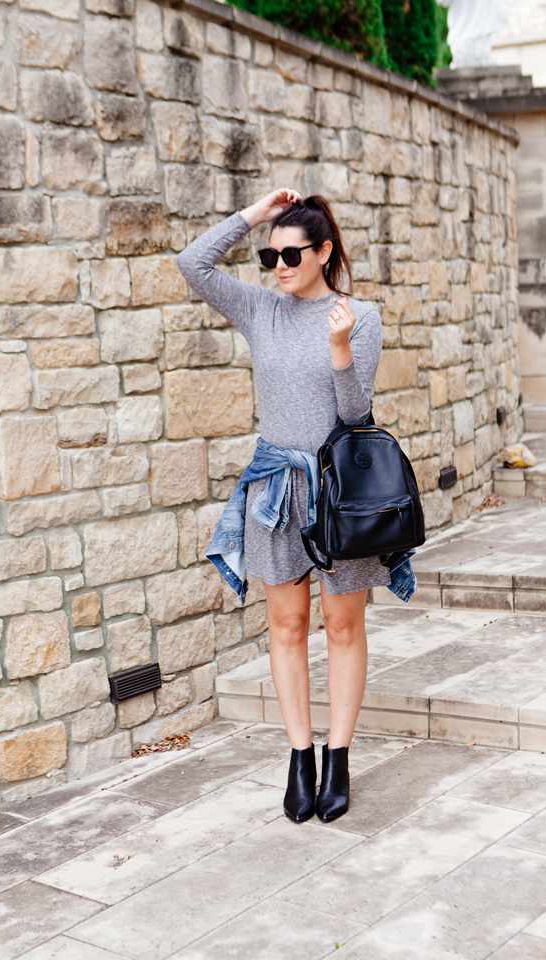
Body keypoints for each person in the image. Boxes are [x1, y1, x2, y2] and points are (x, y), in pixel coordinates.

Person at [177, 188, 387, 824]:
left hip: (338, 492)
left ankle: (340, 756)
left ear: (324, 253)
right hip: (275, 490)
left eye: (291, 254)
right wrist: (255, 216)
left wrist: (343, 348)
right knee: (287, 625)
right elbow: (193, 264)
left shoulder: (359, 315)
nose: (278, 266)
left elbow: (356, 417)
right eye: (269, 256)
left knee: (343, 625)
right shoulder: (260, 309)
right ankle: (301, 757)